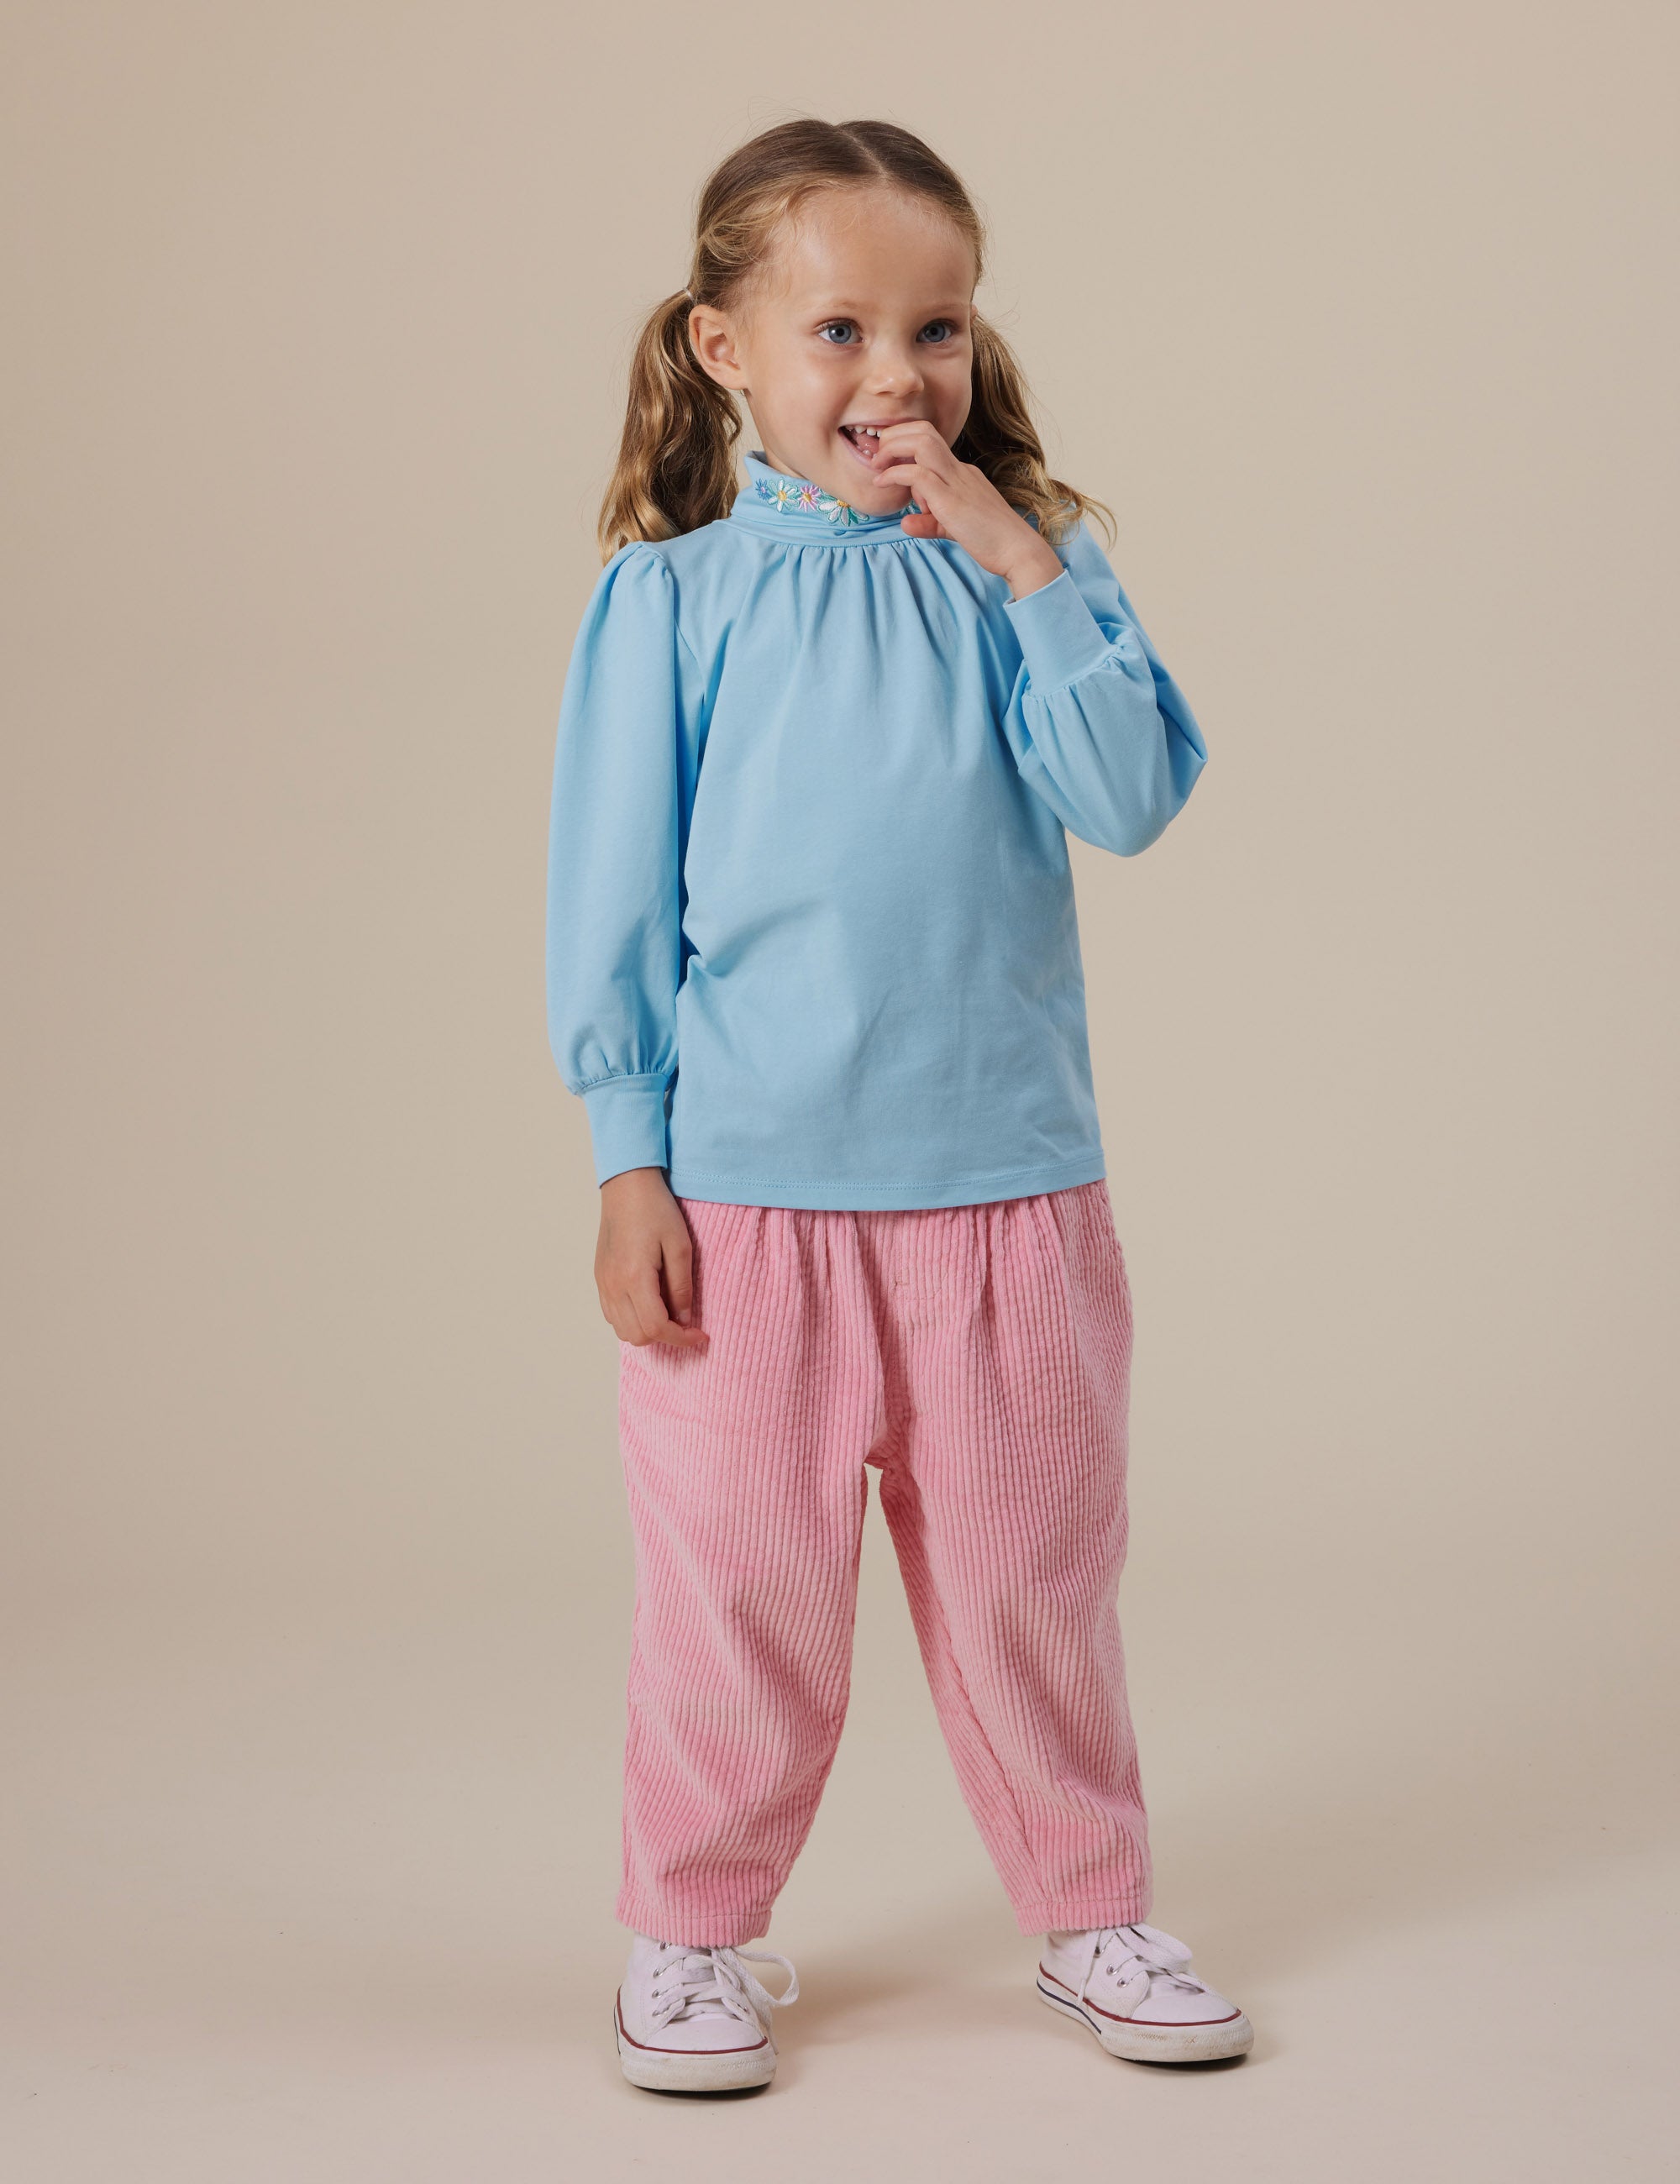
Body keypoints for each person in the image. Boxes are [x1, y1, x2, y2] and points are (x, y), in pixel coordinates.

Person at [545, 116, 1252, 2095]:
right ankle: (688, 1936)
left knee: (1036, 1582)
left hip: (1008, 1191)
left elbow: (1129, 796)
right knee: (737, 1597)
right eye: (839, 327)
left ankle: (1090, 1909)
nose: (894, 376)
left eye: (934, 329)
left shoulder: (1031, 576)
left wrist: (1025, 558)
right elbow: (609, 902)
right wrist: (627, 1156)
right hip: (750, 1202)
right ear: (723, 351)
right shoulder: (671, 604)